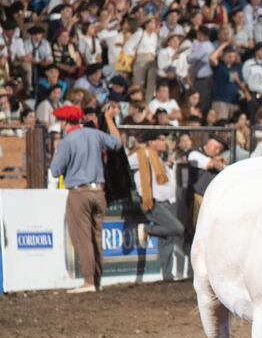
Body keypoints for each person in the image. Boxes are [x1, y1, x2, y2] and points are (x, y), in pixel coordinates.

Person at [48, 103, 122, 294]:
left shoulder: (67, 141)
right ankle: (97, 281)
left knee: (83, 239)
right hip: (99, 192)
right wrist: (109, 119)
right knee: (96, 237)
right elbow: (117, 142)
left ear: (65, 122)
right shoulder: (94, 134)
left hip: (79, 193)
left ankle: (89, 282)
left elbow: (55, 171)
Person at [128, 130, 186, 281]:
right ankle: (146, 229)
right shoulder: (143, 155)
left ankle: (167, 276)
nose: (164, 142)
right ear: (151, 142)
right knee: (177, 228)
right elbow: (124, 164)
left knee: (167, 240)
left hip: (166, 201)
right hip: (152, 201)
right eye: (160, 139)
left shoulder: (158, 157)